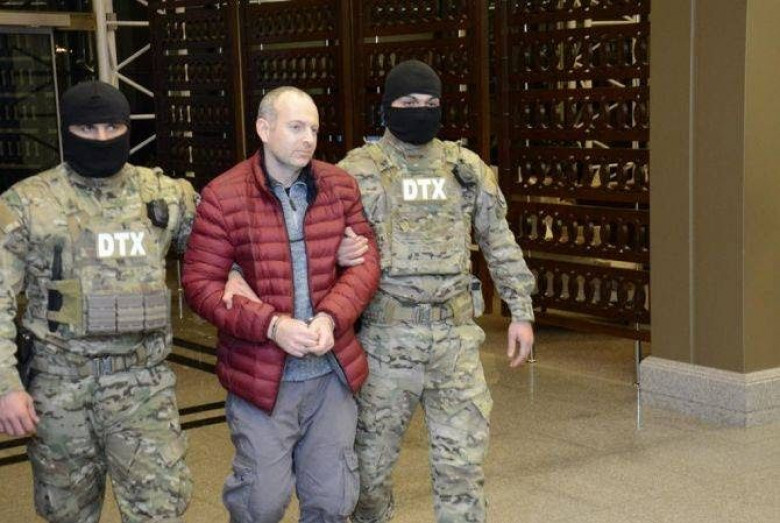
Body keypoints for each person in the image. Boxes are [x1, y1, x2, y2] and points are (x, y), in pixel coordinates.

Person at [339, 60, 536, 522]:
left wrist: (521, 311)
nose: (421, 111)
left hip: (455, 341)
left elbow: (498, 240)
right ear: (387, 107)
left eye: (430, 103)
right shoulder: (357, 171)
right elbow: (319, 244)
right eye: (409, 102)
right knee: (367, 474)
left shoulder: (465, 168)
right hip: (386, 341)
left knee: (461, 470)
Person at [182, 86, 380, 523]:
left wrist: (331, 316)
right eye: (295, 127)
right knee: (261, 502)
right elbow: (199, 284)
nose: (307, 139)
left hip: (330, 376)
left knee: (333, 500)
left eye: (313, 129)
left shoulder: (339, 187)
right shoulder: (224, 196)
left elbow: (366, 263)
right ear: (263, 128)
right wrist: (272, 326)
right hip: (262, 378)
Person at [0, 81, 194, 522]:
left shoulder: (164, 195)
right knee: (67, 514)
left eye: (113, 126)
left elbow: (225, 243)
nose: (102, 138)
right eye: (88, 128)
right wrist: (6, 386)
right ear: (67, 130)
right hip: (61, 387)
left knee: (160, 512)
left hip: (143, 386)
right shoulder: (26, 204)